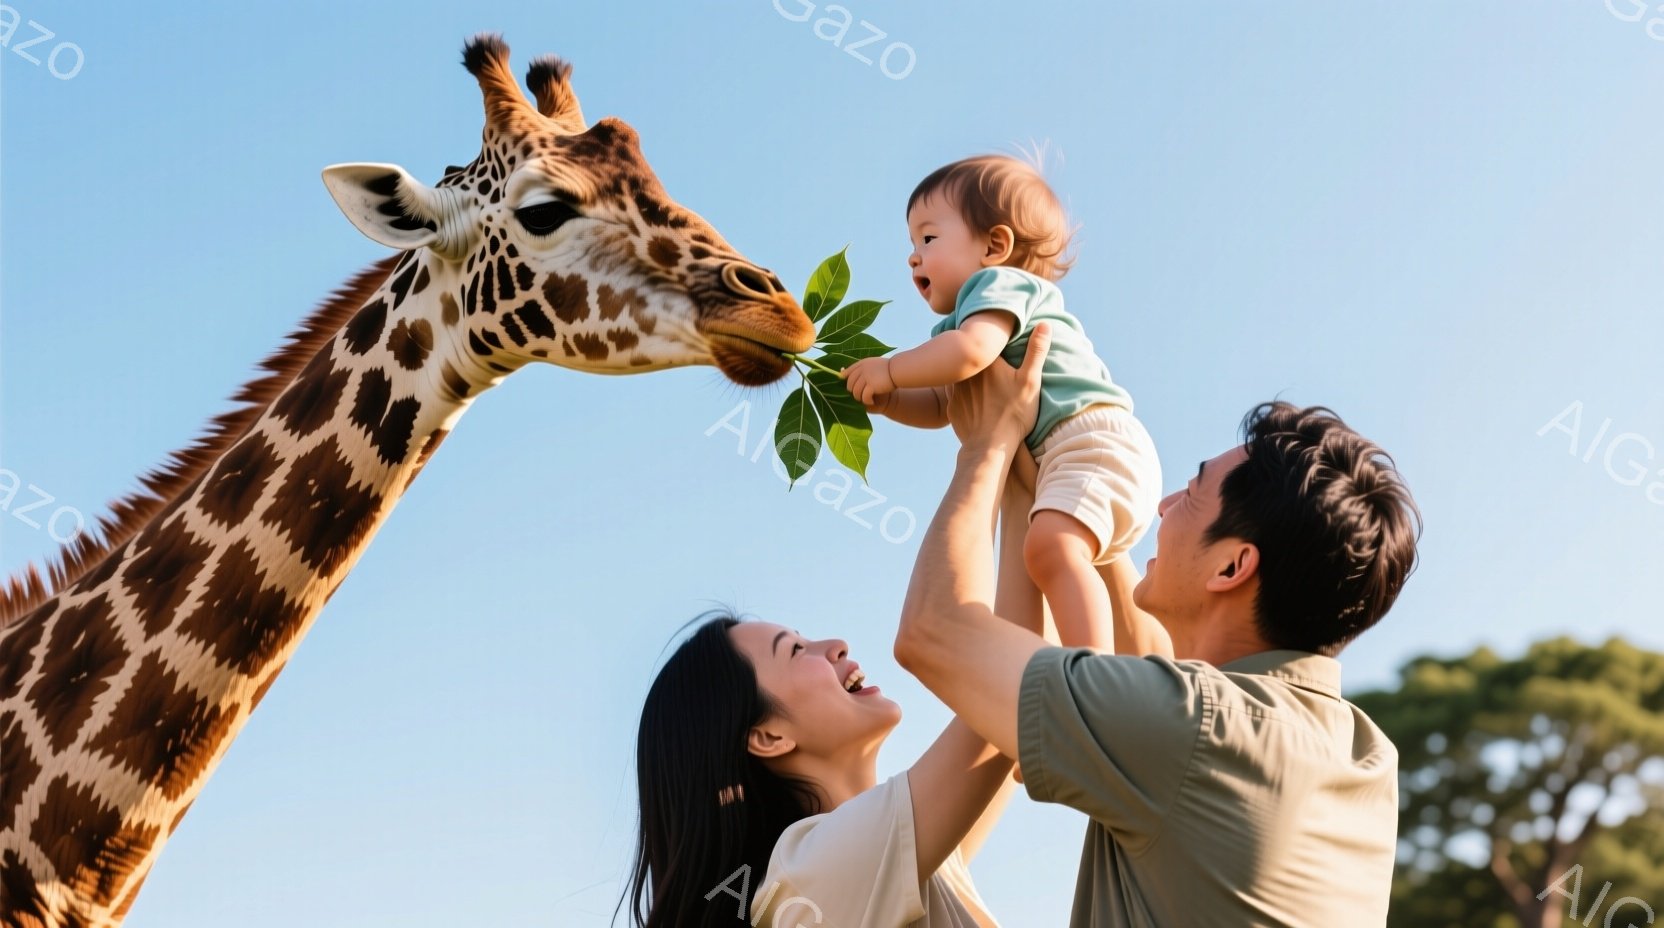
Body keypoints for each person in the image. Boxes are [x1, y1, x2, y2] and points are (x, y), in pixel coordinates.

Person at [893, 325, 1422, 926]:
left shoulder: (1194, 729)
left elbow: (934, 632)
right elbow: (1149, 661)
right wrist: (1060, 460)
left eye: (1191, 494)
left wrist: (987, 444)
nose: (1164, 506)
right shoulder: (1364, 756)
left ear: (1232, 566)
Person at [843, 154, 1161, 652]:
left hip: (1090, 443)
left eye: (928, 238)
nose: (913, 257)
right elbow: (942, 407)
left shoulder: (998, 286)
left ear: (995, 246)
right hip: (1059, 458)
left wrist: (890, 369)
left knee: (1053, 548)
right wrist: (890, 400)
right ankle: (1057, 667)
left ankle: (1093, 670)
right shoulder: (959, 326)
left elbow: (970, 354)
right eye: (912, 244)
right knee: (1037, 570)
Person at [625, 609, 1021, 928]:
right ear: (769, 736)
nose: (836, 645)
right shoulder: (817, 872)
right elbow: (1013, 683)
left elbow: (1020, 667)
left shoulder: (898, 864)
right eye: (796, 650)